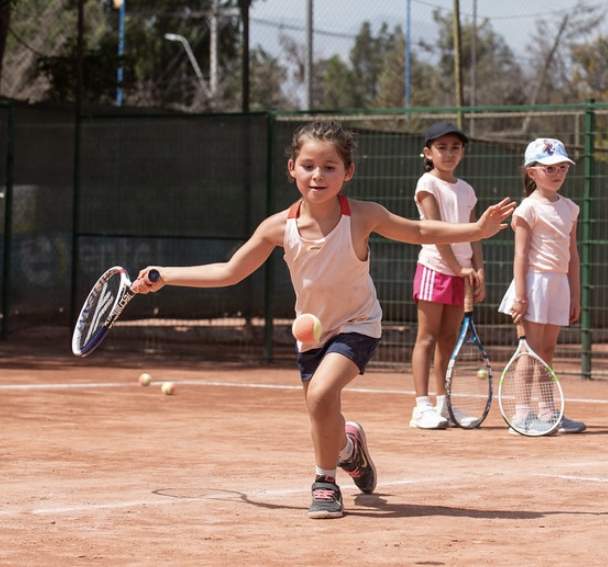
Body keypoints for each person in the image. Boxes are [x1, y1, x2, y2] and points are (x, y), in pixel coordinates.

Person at [133, 121, 515, 519]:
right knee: (324, 416)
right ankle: (350, 451)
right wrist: (167, 275)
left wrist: (476, 229)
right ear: (292, 169)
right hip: (312, 334)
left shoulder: (363, 216)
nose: (319, 175)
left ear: (348, 172)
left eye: (330, 167)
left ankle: (324, 484)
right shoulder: (277, 227)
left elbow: (418, 229)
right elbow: (230, 271)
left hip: (359, 324)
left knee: (319, 396)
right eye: (309, 165)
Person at [498, 137, 586, 435]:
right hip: (533, 285)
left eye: (562, 167)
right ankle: (522, 415)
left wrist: (574, 294)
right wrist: (521, 295)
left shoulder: (571, 208)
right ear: (532, 171)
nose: (558, 172)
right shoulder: (527, 209)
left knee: (547, 351)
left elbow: (573, 255)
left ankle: (548, 413)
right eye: (550, 168)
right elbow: (520, 254)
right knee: (529, 352)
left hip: (558, 285)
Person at [409, 121, 485, 430]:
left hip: (461, 273)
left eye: (455, 147)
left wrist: (478, 269)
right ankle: (421, 407)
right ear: (428, 152)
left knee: (448, 340)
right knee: (426, 338)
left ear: (463, 151)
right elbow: (436, 232)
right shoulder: (427, 184)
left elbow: (474, 233)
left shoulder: (466, 189)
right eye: (442, 147)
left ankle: (445, 405)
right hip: (434, 270)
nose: (449, 153)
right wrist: (457, 268)